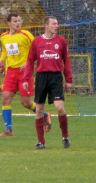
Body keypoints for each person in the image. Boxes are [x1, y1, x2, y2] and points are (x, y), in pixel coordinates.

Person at [0, 13, 52, 137]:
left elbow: (38, 49)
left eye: (19, 21)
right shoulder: (3, 37)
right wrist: (1, 60)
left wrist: (29, 63)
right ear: (8, 23)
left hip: (24, 73)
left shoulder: (27, 35)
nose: (18, 23)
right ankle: (9, 130)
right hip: (10, 71)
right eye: (15, 21)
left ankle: (45, 115)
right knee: (5, 98)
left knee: (26, 103)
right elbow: (5, 50)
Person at [22, 16, 73, 149]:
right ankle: (41, 142)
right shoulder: (37, 41)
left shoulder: (61, 41)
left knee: (59, 107)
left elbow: (66, 62)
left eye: (57, 23)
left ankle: (65, 136)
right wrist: (26, 79)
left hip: (56, 77)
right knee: (39, 110)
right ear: (46, 26)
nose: (57, 26)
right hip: (41, 78)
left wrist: (68, 80)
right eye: (54, 24)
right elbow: (30, 61)